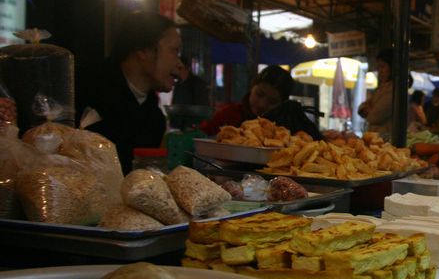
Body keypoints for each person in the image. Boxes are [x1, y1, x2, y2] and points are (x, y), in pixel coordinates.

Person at [80, 11, 181, 173]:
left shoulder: (154, 120)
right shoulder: (85, 90)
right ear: (144, 50)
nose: (179, 64)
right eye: (174, 51)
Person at [201, 65, 321, 140]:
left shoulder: (288, 127)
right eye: (259, 94)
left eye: (272, 101)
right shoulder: (229, 114)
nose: (262, 104)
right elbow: (202, 135)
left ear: (282, 103)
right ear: (252, 86)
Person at [357, 50, 393, 138]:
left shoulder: (394, 90)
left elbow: (374, 116)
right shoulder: (380, 88)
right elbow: (361, 107)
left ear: (392, 68)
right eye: (378, 67)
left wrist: (370, 108)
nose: (379, 71)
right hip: (374, 137)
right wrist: (367, 108)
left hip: (385, 140)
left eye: (382, 67)